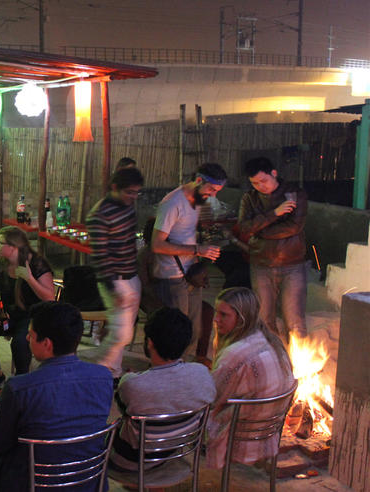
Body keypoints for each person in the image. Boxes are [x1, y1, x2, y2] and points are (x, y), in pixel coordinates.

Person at [0, 301, 113, 492]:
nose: (26, 338)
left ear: (46, 343)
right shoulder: (104, 377)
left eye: (31, 334)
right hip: (89, 479)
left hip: (34, 483)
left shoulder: (20, 388)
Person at [108, 307, 216, 472]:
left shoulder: (132, 384)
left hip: (132, 461)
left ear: (150, 342)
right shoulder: (202, 374)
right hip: (174, 452)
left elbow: (125, 409)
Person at [207, 287, 295, 469]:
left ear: (241, 319)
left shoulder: (235, 355)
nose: (216, 319)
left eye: (223, 315)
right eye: (216, 312)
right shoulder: (271, 340)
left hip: (243, 434)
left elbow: (212, 397)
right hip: (270, 431)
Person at [0, 226, 55, 402]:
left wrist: (30, 279)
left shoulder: (36, 264)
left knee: (20, 343)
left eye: (0, 243)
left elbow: (50, 298)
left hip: (33, 315)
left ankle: (22, 382)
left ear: (14, 247)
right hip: (7, 312)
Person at [151, 162, 227, 358]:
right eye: (211, 189)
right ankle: (171, 367)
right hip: (172, 277)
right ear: (199, 180)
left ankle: (186, 367)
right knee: (176, 332)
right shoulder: (172, 203)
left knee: (194, 330)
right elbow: (157, 245)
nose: (213, 195)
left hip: (191, 275)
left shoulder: (198, 200)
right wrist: (197, 250)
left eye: (217, 191)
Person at [236, 157, 308, 341]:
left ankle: (297, 356)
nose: (260, 186)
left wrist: (260, 231)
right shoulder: (250, 198)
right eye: (255, 183)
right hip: (261, 263)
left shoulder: (294, 194)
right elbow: (243, 227)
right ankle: (270, 355)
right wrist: (274, 213)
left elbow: (294, 227)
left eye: (264, 180)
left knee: (295, 319)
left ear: (274, 173)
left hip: (292, 264)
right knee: (264, 318)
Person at [86, 167, 144, 378]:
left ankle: (114, 373)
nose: (133, 197)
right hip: (115, 280)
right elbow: (100, 256)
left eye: (136, 192)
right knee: (121, 334)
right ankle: (98, 371)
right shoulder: (99, 215)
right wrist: (113, 289)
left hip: (131, 275)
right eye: (129, 192)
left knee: (123, 332)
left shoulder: (127, 207)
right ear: (114, 187)